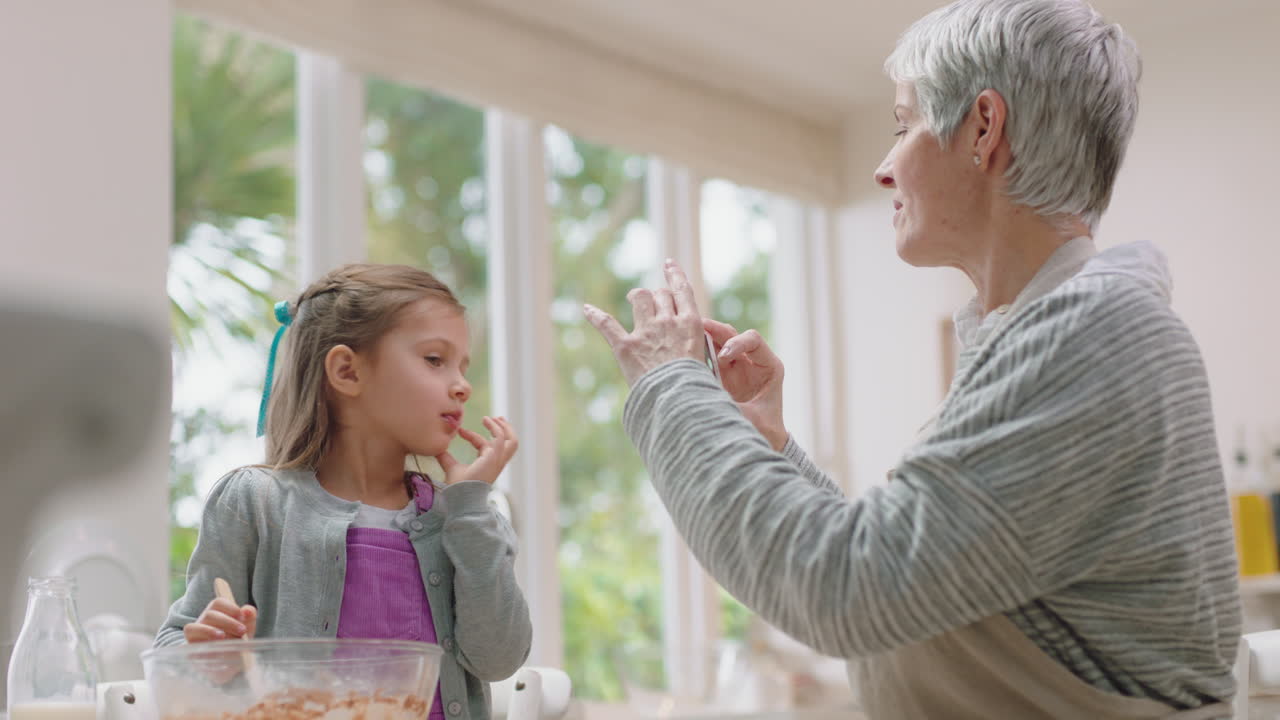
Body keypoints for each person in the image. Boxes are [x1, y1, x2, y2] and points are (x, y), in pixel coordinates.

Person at [584, 1, 1240, 717]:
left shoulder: (1098, 333)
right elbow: (912, 594)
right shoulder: (1049, 335)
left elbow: (846, 593)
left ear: (985, 128)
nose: (883, 169)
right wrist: (768, 447)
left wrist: (670, 386)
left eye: (903, 127)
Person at [157, 264, 531, 720]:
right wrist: (207, 654)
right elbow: (173, 651)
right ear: (348, 371)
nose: (463, 385)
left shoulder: (461, 516)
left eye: (462, 367)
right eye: (435, 360)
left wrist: (471, 508)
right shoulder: (255, 503)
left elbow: (500, 658)